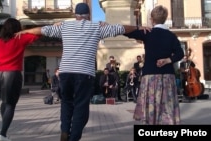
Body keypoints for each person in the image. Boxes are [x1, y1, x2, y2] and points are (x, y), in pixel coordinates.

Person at [15, 2, 150, 140]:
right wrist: (139, 27)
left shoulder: (64, 26)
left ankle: (65, 129)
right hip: (84, 74)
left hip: (65, 72)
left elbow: (42, 30)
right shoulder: (96, 27)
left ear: (75, 15)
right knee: (81, 106)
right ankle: (73, 137)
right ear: (88, 15)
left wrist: (25, 31)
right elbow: (121, 28)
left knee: (66, 102)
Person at [0, 18, 40, 141]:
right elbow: (38, 34)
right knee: (10, 105)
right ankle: (2, 134)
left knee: (4, 102)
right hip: (12, 74)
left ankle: (4, 132)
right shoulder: (20, 38)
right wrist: (24, 32)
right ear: (17, 29)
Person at [124, 5, 184, 125]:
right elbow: (180, 54)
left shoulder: (147, 33)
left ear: (152, 19)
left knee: (151, 110)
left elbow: (125, 31)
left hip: (150, 76)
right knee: (167, 108)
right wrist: (168, 60)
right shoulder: (171, 36)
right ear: (165, 18)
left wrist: (138, 27)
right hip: (167, 76)